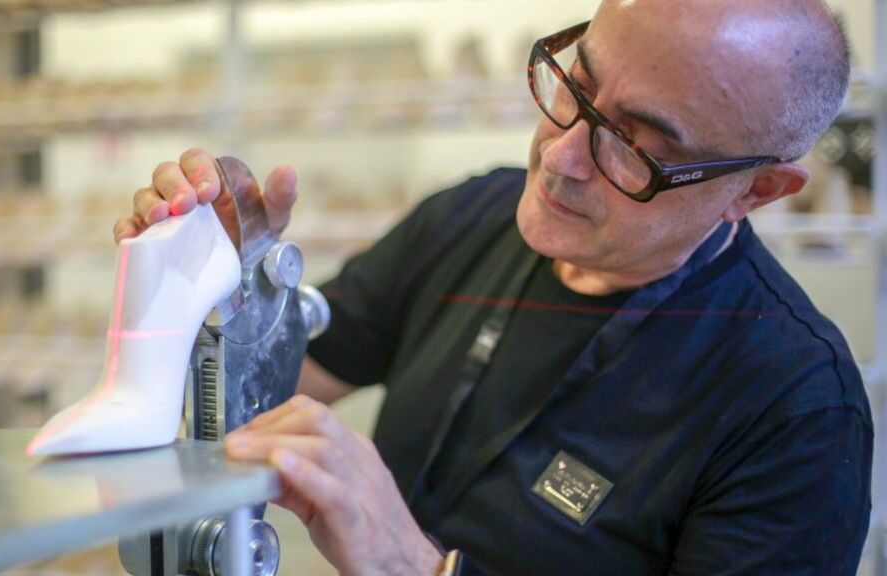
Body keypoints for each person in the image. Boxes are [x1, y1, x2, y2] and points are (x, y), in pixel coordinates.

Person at [113, 0, 874, 573]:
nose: (562, 158)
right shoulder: (473, 216)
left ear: (758, 190)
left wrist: (414, 566)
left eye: (635, 149)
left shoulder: (796, 408)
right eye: (576, 86)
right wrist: (218, 298)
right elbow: (261, 401)